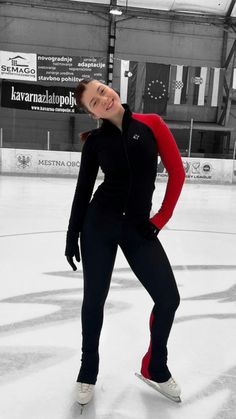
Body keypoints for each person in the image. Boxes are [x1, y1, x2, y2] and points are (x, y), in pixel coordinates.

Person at [65, 78, 186, 406]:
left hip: (138, 229)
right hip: (98, 227)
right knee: (94, 301)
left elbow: (177, 173)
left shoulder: (151, 124)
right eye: (94, 101)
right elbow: (82, 192)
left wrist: (159, 219)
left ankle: (155, 367)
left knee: (169, 298)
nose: (102, 99)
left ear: (111, 89)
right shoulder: (95, 143)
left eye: (102, 91)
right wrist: (72, 234)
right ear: (92, 113)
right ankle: (87, 370)